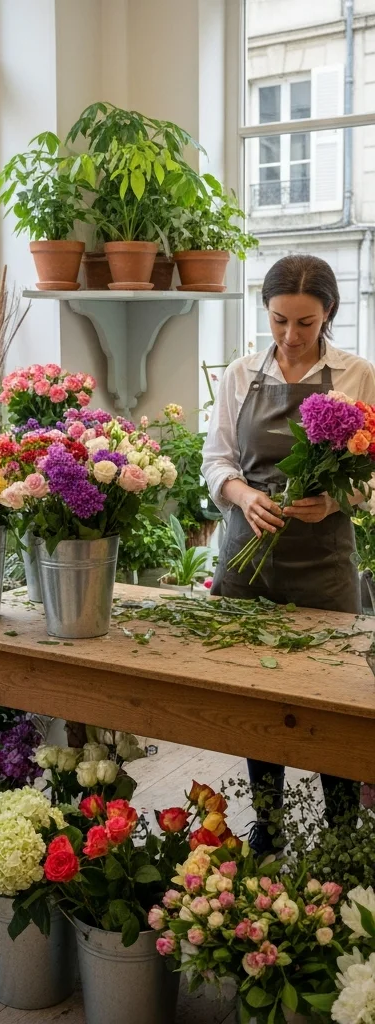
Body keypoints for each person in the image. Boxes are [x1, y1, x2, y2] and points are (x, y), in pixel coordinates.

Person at [203, 253, 375, 851]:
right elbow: (215, 461)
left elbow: (371, 473)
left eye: (306, 323)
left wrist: (336, 500)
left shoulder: (357, 375)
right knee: (258, 699)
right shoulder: (240, 373)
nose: (291, 336)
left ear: (328, 314)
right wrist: (243, 494)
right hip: (248, 561)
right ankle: (269, 828)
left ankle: (343, 835)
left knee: (334, 700)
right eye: (279, 320)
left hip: (324, 564)